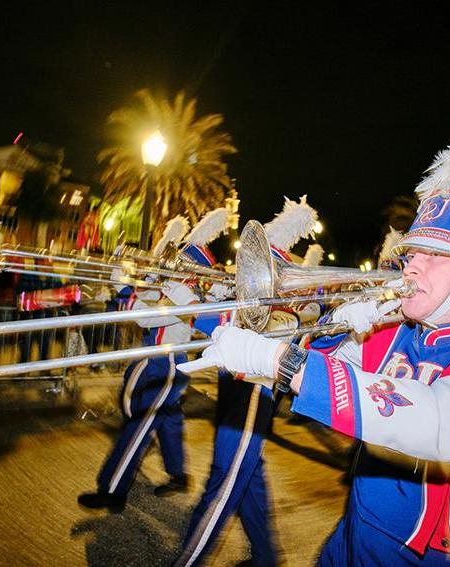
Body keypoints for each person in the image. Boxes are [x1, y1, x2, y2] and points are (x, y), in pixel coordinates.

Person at [180, 71, 450, 565]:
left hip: (431, 558)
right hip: (350, 536)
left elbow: (440, 422)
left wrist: (282, 361)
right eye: (412, 253)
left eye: (433, 256)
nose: (412, 265)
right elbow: (295, 346)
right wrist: (203, 312)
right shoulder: (397, 333)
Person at [174, 197, 319, 567]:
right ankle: (268, 559)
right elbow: (221, 326)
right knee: (247, 475)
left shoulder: (284, 312)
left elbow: (223, 328)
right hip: (236, 388)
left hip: (253, 394)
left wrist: (186, 301)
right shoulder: (254, 303)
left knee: (223, 484)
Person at [78, 210, 229, 511]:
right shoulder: (173, 290)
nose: (169, 268)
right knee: (158, 415)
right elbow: (137, 303)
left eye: (178, 264)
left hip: (168, 362)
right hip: (154, 357)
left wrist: (135, 286)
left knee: (140, 423)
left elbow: (146, 319)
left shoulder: (186, 296)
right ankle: (178, 474)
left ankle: (112, 489)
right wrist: (122, 277)